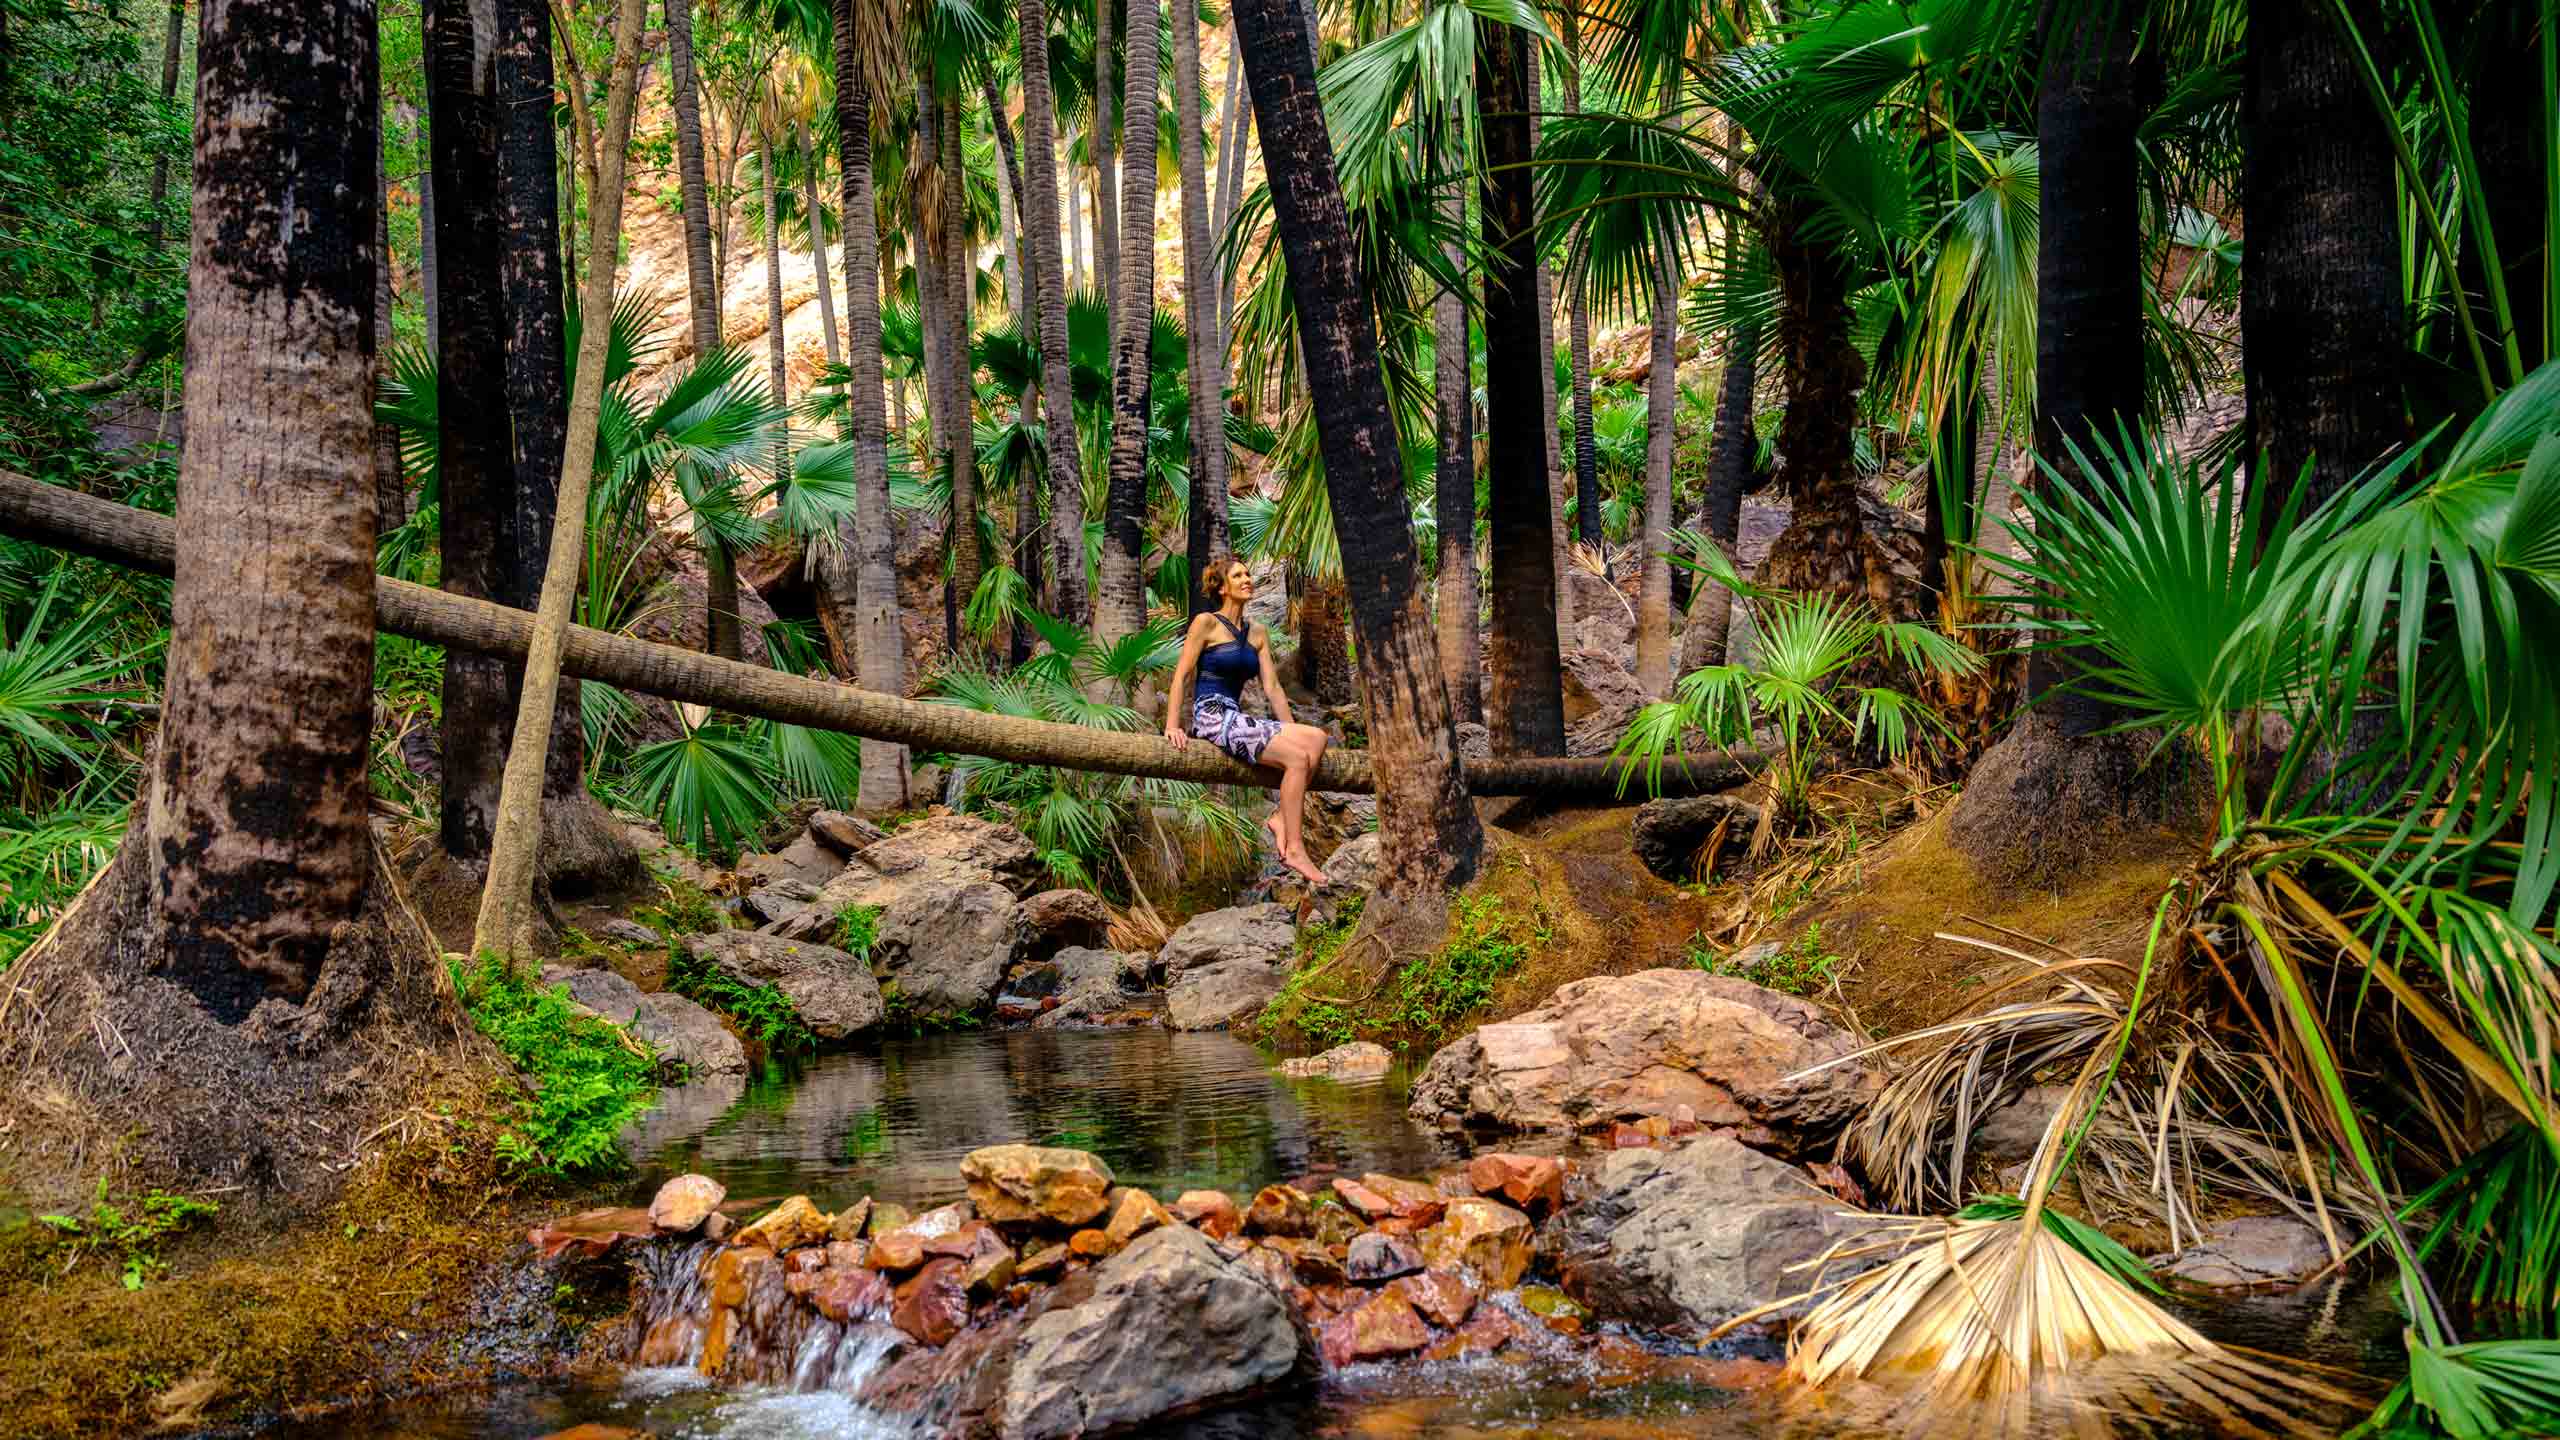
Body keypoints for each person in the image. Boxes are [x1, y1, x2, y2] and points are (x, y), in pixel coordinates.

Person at [1163, 555, 1333, 887]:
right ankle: (1295, 848)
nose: (1247, 579)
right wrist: (1172, 725)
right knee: (1298, 759)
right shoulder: (1205, 623)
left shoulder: (1257, 632)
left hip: (1236, 715)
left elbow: (1272, 687)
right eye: (1238, 576)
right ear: (1223, 588)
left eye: (1248, 574)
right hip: (1211, 716)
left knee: (1316, 739)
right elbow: (1181, 675)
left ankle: (1279, 818)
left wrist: (1290, 729)